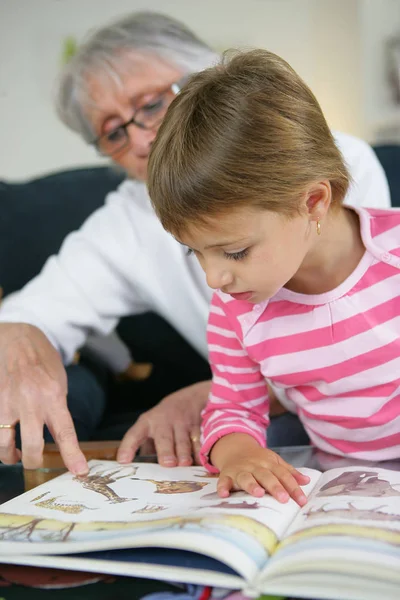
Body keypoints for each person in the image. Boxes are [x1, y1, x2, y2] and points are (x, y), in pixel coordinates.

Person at [0, 12, 391, 475]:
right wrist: (18, 338)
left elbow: (349, 343)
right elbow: (31, 313)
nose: (144, 139)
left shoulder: (328, 166)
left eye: (150, 105)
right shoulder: (124, 226)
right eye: (114, 132)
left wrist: (205, 395)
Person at [147, 48, 400, 507]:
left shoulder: (394, 253)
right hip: (340, 493)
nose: (214, 278)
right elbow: (233, 406)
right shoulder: (236, 309)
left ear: (313, 202)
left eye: (235, 251)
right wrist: (239, 453)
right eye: (195, 253)